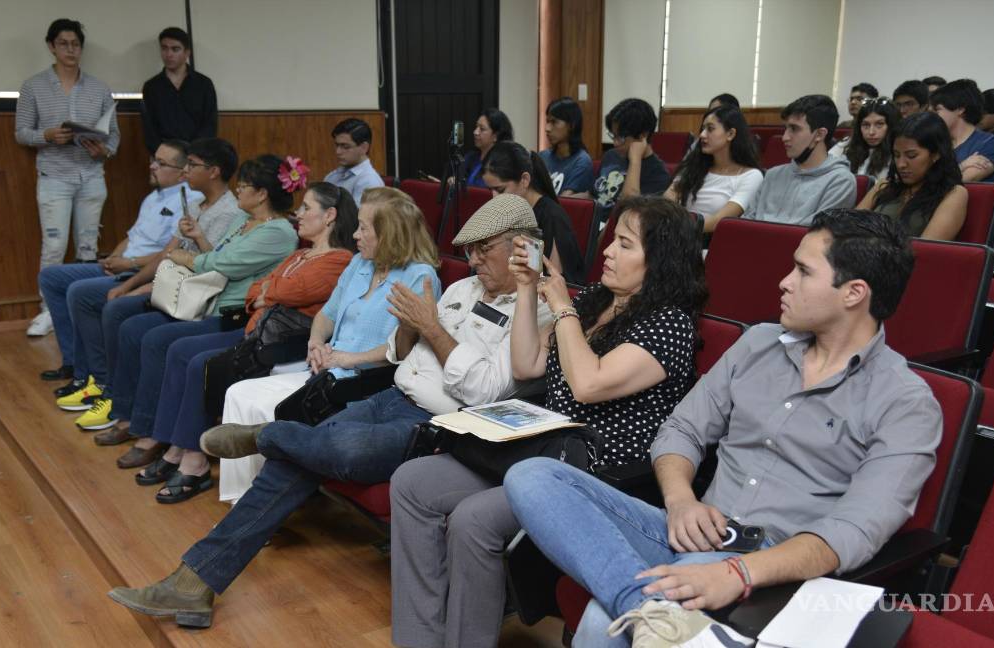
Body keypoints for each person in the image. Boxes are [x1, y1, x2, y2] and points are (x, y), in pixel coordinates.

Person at [106, 194, 553, 627]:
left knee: (341, 451)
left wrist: (431, 327)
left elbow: (484, 389)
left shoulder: (538, 312)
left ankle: (267, 435)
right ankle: (193, 582)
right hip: (391, 396)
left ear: (521, 248)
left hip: (441, 426)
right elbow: (401, 355)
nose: (473, 260)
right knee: (292, 462)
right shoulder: (461, 288)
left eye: (483, 249)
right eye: (469, 250)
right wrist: (408, 327)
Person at [505, 208, 942, 648]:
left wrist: (737, 572)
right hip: (695, 527)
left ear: (854, 293)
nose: (784, 281)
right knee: (532, 476)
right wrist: (680, 501)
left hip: (777, 563)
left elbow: (852, 531)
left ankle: (644, 611)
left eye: (804, 271)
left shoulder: (905, 402)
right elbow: (682, 430)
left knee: (601, 621)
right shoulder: (758, 344)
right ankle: (651, 612)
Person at [390, 195, 707, 648]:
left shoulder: (668, 325)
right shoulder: (596, 300)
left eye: (624, 244)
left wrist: (561, 306)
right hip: (540, 443)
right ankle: (419, 639)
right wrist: (526, 288)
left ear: (659, 260)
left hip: (595, 469)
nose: (607, 252)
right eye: (612, 240)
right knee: (411, 482)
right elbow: (527, 364)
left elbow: (587, 384)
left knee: (472, 519)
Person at [130, 183, 359, 503]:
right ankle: (175, 446)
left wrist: (271, 292)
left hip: (283, 343)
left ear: (330, 215)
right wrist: (268, 293)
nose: (299, 214)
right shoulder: (299, 254)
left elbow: (291, 291)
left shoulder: (340, 260)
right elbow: (256, 291)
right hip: (256, 333)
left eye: (307, 208)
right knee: (180, 350)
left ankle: (192, 459)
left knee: (200, 363)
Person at [214, 187, 441, 500]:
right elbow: (327, 314)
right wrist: (316, 342)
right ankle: (238, 498)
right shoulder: (361, 263)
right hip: (326, 371)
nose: (355, 234)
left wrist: (348, 359)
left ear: (389, 234)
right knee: (239, 393)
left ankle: (256, 499)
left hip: (364, 382)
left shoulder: (420, 277)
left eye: (364, 228)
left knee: (268, 409)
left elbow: (406, 350)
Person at [90, 155, 301, 466]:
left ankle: (153, 432)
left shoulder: (279, 232)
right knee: (133, 328)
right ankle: (130, 415)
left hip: (234, 315)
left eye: (243, 186)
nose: (237, 190)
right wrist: (199, 238)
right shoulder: (243, 220)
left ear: (261, 194)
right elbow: (217, 256)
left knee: (158, 339)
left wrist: (180, 256)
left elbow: (222, 264)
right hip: (208, 301)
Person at [59, 138, 244, 426]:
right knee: (110, 302)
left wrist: (142, 288)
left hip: (194, 296)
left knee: (118, 312)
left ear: (214, 171)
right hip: (172, 285)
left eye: (192, 165)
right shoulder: (195, 205)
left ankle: (115, 397)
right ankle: (111, 392)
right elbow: (167, 255)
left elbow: (210, 268)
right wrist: (128, 285)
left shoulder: (230, 212)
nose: (186, 171)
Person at [38, 140, 199, 390]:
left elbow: (171, 252)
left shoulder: (189, 200)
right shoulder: (153, 197)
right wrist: (112, 260)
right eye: (153, 160)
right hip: (123, 264)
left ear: (182, 172)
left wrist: (128, 263)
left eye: (161, 163)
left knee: (79, 291)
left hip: (143, 271)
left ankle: (95, 377)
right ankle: (72, 361)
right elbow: (131, 237)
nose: (152, 166)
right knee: (51, 277)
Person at [17, 18, 120, 337]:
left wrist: (103, 150)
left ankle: (84, 307)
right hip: (54, 176)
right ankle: (49, 310)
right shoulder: (33, 86)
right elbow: (22, 132)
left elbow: (114, 135)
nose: (70, 49)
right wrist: (47, 135)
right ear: (52, 46)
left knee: (88, 247)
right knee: (54, 246)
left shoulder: (99, 88)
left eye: (75, 44)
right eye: (63, 43)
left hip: (91, 174)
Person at [481, 141, 586, 282]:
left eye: (500, 190)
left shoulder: (553, 218)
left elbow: (556, 282)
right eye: (490, 190)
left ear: (524, 180)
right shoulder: (505, 213)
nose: (494, 198)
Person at [744, 95, 856, 225]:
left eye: (794, 129)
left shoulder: (840, 181)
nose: (785, 137)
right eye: (786, 128)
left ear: (819, 134)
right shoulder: (772, 175)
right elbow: (745, 222)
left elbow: (818, 233)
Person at [858, 113, 967, 240]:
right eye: (896, 155)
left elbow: (928, 247)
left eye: (911, 156)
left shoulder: (954, 193)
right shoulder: (884, 186)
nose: (901, 164)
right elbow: (848, 227)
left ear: (936, 154)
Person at [663, 105, 762, 233]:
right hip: (678, 234)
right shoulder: (694, 165)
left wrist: (678, 228)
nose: (702, 135)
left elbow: (718, 222)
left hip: (710, 239)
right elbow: (667, 201)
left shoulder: (751, 176)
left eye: (710, 129)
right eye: (703, 129)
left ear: (730, 134)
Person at [140, 27, 217, 155]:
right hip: (163, 155)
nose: (168, 54)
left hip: (197, 155)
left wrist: (194, 153)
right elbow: (149, 128)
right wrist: (164, 154)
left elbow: (209, 124)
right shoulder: (151, 87)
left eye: (175, 49)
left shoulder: (204, 84)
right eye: (164, 48)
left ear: (187, 53)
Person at [594, 98, 672, 210]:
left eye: (620, 138)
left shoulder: (659, 175)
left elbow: (629, 208)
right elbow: (593, 195)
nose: (615, 143)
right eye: (613, 136)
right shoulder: (611, 156)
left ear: (643, 135)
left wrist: (635, 161)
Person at [932, 79, 994, 182]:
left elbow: (962, 181)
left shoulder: (992, 143)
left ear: (960, 109)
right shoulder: (935, 142)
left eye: (937, 110)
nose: (931, 116)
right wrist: (962, 166)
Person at [831, 97, 900, 180]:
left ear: (891, 125)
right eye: (866, 125)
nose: (871, 132)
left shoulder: (898, 152)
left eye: (879, 124)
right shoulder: (848, 143)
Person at [540, 97, 595, 196]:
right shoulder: (542, 156)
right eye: (547, 122)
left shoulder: (581, 161)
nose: (547, 128)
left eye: (554, 122)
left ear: (571, 125)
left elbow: (565, 200)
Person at [323, 118, 385, 205]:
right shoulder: (332, 176)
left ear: (364, 148)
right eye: (337, 145)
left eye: (345, 147)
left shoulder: (369, 182)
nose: (338, 152)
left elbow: (358, 215)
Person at [460, 108, 514, 188]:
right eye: (476, 127)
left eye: (482, 129)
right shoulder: (470, 157)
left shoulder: (503, 164)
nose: (475, 132)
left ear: (496, 136)